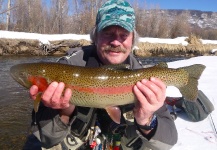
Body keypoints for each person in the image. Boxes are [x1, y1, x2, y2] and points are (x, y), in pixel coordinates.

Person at [29, 0, 177, 149]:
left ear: (132, 39)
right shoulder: (66, 69)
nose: (115, 42)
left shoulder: (143, 76)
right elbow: (45, 138)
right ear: (96, 36)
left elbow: (168, 142)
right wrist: (64, 112)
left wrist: (147, 120)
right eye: (108, 33)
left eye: (123, 34)